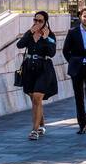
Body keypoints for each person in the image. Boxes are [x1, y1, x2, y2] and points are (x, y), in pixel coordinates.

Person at [17, 11, 58, 140]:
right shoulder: (29, 33)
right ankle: (41, 125)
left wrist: (45, 39)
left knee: (37, 97)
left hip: (44, 69)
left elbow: (52, 53)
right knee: (35, 100)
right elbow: (20, 45)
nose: (37, 23)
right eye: (35, 20)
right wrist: (30, 32)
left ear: (45, 22)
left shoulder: (50, 35)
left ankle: (34, 131)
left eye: (40, 21)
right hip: (29, 69)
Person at [62, 6, 86, 135]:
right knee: (79, 97)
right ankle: (82, 125)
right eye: (84, 16)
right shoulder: (72, 32)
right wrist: (74, 61)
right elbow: (65, 50)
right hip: (77, 69)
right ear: (81, 17)